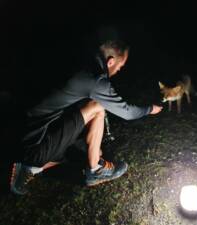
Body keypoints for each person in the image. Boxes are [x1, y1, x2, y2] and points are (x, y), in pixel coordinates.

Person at [10, 38, 163, 195]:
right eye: (120, 66)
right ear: (110, 61)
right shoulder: (95, 79)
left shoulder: (81, 62)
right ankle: (95, 169)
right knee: (97, 107)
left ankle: (31, 168)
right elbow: (128, 113)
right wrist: (150, 109)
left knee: (78, 142)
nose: (119, 71)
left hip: (23, 130)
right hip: (35, 146)